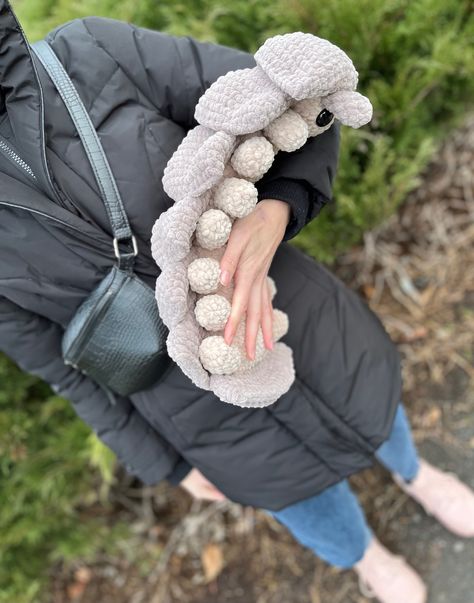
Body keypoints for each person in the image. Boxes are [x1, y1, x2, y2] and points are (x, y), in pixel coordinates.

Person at [0, 3, 473, 602]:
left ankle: (417, 475)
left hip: (295, 313)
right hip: (194, 407)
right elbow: (59, 365)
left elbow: (292, 103)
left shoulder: (91, 55)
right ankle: (367, 558)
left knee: (368, 399)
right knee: (301, 499)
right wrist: (165, 465)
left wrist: (278, 207)